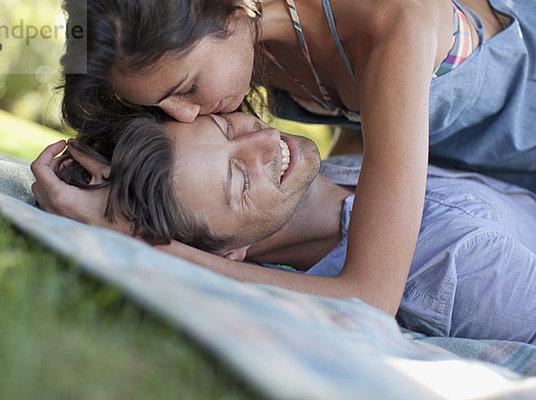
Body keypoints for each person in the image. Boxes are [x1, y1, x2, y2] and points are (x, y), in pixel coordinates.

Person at [32, 0, 536, 321]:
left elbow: (370, 296)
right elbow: (367, 145)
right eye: (164, 106)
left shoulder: (391, 22)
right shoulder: (259, 50)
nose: (183, 114)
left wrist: (147, 244)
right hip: (491, 176)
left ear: (232, 10)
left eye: (185, 89)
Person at [38, 112, 536, 343]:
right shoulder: (462, 265)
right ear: (227, 256)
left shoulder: (342, 177)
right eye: (238, 177)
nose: (266, 139)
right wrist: (141, 241)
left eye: (228, 127)